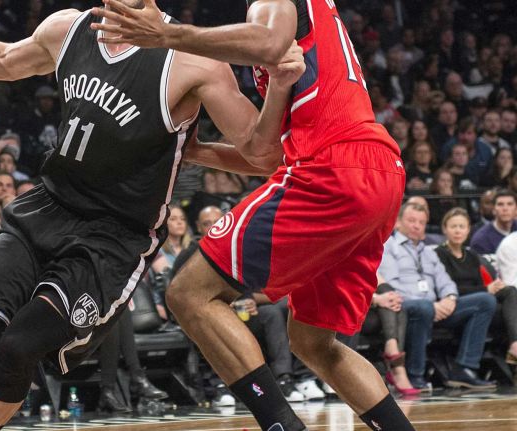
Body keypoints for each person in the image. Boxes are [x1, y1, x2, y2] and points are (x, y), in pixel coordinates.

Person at [0, 2, 305, 429]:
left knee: (18, 348)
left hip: (112, 238)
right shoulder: (69, 27)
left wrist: (270, 96)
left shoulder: (191, 60)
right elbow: (2, 59)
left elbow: (264, 153)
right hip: (47, 208)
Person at [92, 0, 411, 430]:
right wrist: (201, 152)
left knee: (189, 293)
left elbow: (267, 42)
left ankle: (281, 425)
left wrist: (168, 35)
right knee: (314, 342)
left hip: (331, 168)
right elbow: (269, 158)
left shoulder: (272, 7)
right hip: (379, 171)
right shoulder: (301, 25)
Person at [379, 202, 496, 389]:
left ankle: (464, 368)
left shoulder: (428, 251)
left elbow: (446, 281)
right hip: (406, 307)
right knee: (423, 308)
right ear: (398, 223)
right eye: (411, 221)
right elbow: (391, 287)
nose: (417, 225)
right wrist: (431, 305)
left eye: (421, 222)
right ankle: (414, 374)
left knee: (485, 301)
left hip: (438, 308)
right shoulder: (389, 247)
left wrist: (449, 298)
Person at [440, 208, 517, 370]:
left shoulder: (472, 255)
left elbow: (478, 285)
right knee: (486, 299)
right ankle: (466, 365)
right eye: (453, 226)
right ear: (444, 228)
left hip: (481, 300)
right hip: (453, 304)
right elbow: (449, 289)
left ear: (468, 230)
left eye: (462, 226)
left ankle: (515, 345)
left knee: (510, 291)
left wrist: (496, 287)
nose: (458, 231)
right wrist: (486, 289)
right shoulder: (439, 254)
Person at [470, 190, 517, 255]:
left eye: (510, 204)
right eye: (500, 204)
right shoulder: (481, 239)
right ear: (494, 210)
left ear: (516, 209)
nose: (505, 208)